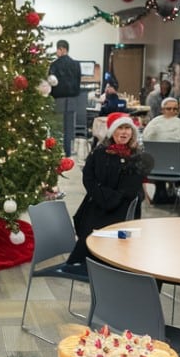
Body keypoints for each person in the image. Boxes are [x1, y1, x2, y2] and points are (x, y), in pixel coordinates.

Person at [65, 113, 148, 266]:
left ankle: (115, 265)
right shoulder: (100, 152)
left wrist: (114, 199)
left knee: (115, 234)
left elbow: (133, 186)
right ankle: (90, 267)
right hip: (98, 201)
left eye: (127, 128)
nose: (124, 132)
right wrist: (102, 196)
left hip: (123, 205)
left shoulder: (137, 155)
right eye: (120, 128)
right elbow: (88, 177)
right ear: (112, 131)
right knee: (90, 233)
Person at [143, 97, 180, 204]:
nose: (172, 111)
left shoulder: (155, 122)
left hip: (156, 165)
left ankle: (163, 191)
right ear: (162, 109)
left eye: (175, 109)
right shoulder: (178, 123)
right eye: (169, 109)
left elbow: (145, 140)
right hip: (172, 165)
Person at [48, 39, 81, 157]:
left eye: (57, 49)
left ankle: (55, 153)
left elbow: (51, 83)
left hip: (58, 100)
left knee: (56, 128)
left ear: (62, 49)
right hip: (72, 100)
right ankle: (68, 153)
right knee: (69, 130)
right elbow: (78, 83)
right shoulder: (76, 65)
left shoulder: (54, 65)